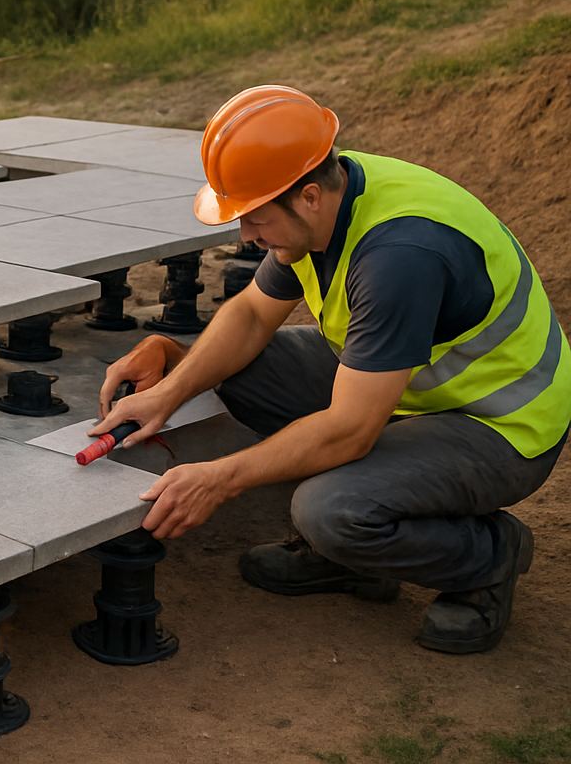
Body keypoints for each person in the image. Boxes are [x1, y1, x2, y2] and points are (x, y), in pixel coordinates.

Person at [93, 84, 569, 654]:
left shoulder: (399, 257)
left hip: (499, 423)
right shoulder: (327, 200)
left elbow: (350, 428)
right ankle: (359, 565)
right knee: (240, 370)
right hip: (405, 388)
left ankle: (489, 557)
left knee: (330, 510)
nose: (245, 236)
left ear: (309, 196)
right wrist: (168, 389)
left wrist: (219, 478)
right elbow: (248, 316)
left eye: (254, 217)